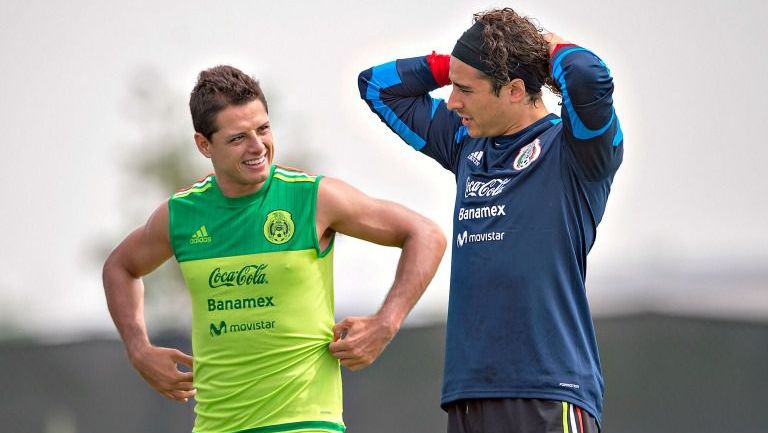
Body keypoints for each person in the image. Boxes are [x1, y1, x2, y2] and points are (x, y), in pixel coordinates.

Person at [102, 65, 446, 433]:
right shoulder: (182, 215)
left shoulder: (312, 198)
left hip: (307, 422)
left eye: (263, 129)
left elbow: (426, 235)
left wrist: (386, 323)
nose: (257, 147)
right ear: (204, 145)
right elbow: (120, 267)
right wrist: (138, 350)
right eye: (237, 138)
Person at [358, 7, 623, 433]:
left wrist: (546, 49)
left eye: (465, 88)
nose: (452, 100)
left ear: (515, 89)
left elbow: (589, 77)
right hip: (468, 395)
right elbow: (376, 86)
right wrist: (460, 63)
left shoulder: (577, 151)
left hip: (549, 391)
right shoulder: (465, 142)